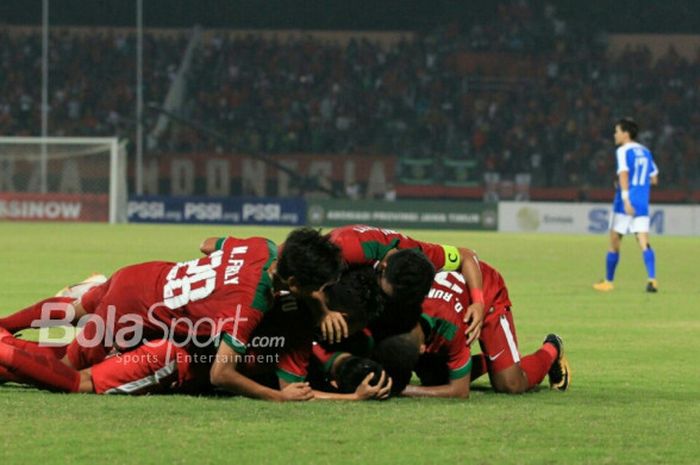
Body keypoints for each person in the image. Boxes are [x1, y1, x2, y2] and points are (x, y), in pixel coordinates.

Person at [0, 228, 343, 401]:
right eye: (317, 288)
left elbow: (207, 244)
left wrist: (220, 274)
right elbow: (221, 374)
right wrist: (278, 397)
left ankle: (4, 327)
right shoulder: (249, 307)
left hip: (141, 275)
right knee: (64, 373)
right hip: (130, 314)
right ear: (295, 283)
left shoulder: (261, 246)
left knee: (74, 309)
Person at [375, 265, 571, 396]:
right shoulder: (394, 307)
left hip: (485, 291)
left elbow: (460, 391)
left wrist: (405, 389)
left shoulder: (452, 328)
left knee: (510, 384)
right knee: (434, 378)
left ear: (423, 348)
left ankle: (552, 348)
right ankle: (494, 361)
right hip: (453, 295)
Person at [324, 225, 484, 345]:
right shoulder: (348, 249)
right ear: (383, 266)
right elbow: (306, 277)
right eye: (385, 292)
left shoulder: (416, 255)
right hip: (324, 274)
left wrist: (478, 303)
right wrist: (323, 312)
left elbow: (467, 256)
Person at [594, 118, 659, 293]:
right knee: (644, 242)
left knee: (614, 241)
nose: (615, 135)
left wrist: (625, 197)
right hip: (642, 201)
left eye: (617, 131)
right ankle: (652, 279)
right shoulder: (646, 151)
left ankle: (608, 281)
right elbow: (654, 178)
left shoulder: (623, 151)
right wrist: (639, 185)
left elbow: (623, 174)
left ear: (625, 133)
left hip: (625, 202)